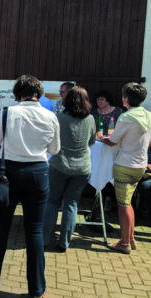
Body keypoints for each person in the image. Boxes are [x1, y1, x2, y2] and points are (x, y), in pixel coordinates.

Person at [0, 75, 60, 298]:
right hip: (39, 173)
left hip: (9, 173)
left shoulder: (8, 112)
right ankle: (37, 291)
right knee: (35, 230)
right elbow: (55, 149)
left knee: (1, 228)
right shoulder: (50, 116)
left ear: (17, 93)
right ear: (38, 94)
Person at [98, 82, 151, 254]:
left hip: (125, 164)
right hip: (140, 165)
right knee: (129, 203)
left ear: (126, 98)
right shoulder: (147, 115)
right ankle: (131, 238)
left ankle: (124, 242)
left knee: (124, 204)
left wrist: (101, 136)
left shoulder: (126, 117)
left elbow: (113, 140)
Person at [43, 86, 96, 252]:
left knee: (52, 202)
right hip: (82, 168)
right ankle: (64, 242)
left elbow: (51, 140)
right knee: (71, 204)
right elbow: (92, 141)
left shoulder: (58, 117)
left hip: (59, 165)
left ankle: (44, 239)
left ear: (68, 100)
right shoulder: (90, 119)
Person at [90, 90, 125, 212]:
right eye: (97, 99)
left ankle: (109, 199)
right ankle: (98, 196)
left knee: (109, 169)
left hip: (113, 146)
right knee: (99, 168)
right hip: (98, 146)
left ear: (108, 100)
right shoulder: (94, 113)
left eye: (102, 99)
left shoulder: (118, 112)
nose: (99, 102)